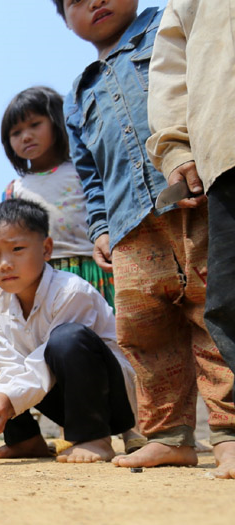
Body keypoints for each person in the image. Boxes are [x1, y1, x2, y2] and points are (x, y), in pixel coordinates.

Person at [58, 0, 235, 475]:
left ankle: (228, 433)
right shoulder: (77, 94)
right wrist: (99, 227)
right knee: (142, 331)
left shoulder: (167, 27)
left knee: (212, 311)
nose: (94, 1)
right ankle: (169, 436)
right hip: (129, 222)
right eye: (74, 1)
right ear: (65, 20)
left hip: (191, 196)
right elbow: (89, 173)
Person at [0, 200, 137, 464]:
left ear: (46, 249)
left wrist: (7, 399)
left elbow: (44, 361)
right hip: (64, 399)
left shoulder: (71, 291)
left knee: (67, 339)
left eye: (17, 249)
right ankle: (25, 441)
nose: (4, 264)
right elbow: (9, 365)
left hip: (112, 403)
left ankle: (95, 438)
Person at [146, 0, 235, 479]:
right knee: (228, 303)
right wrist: (177, 147)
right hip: (227, 150)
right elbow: (172, 67)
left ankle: (226, 434)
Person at [0, 86, 114, 307]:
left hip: (94, 268)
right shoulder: (14, 191)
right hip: (46, 279)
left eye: (35, 125)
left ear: (57, 122)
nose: (26, 136)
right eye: (16, 132)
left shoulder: (85, 171)